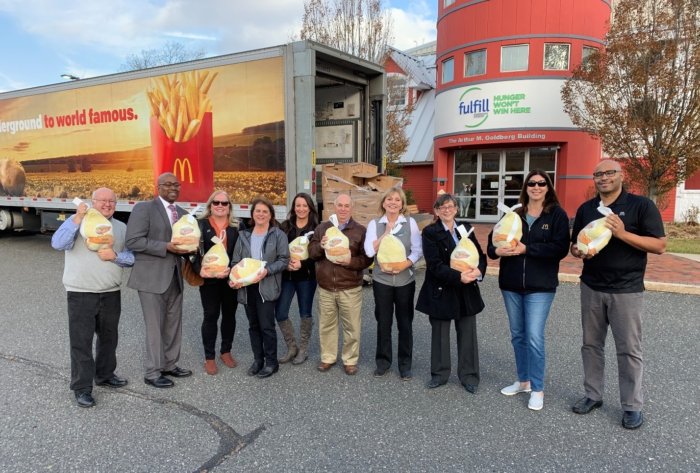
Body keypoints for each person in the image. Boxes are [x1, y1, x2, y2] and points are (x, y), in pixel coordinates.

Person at [570, 159, 665, 430]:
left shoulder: (641, 205)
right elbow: (575, 245)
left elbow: (659, 245)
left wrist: (622, 233)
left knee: (629, 350)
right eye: (598, 174)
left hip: (626, 289)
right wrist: (579, 251)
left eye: (609, 172)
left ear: (621, 175)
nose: (603, 178)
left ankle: (632, 406)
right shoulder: (587, 208)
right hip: (591, 286)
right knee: (591, 345)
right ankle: (592, 395)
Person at [487, 170, 570, 411]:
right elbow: (493, 245)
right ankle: (522, 381)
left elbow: (560, 249)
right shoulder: (515, 213)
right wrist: (496, 252)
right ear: (526, 188)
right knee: (518, 335)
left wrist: (527, 249)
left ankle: (537, 388)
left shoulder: (556, 215)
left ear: (548, 187)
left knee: (534, 337)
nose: (536, 187)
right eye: (531, 183)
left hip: (540, 287)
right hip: (511, 284)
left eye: (541, 183)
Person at [51, 187, 134, 408]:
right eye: (102, 201)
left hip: (110, 292)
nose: (107, 205)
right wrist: (77, 218)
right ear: (93, 202)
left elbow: (133, 257)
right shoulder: (79, 222)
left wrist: (116, 256)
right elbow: (58, 244)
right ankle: (82, 388)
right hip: (80, 292)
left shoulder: (121, 228)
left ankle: (105, 375)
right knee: (81, 342)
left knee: (109, 339)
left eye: (112, 201)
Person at [126, 172, 193, 389]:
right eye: (169, 184)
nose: (174, 187)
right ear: (159, 187)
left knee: (173, 323)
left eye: (177, 184)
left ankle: (169, 364)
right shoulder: (144, 209)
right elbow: (133, 241)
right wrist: (165, 246)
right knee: (155, 326)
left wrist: (193, 250)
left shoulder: (183, 214)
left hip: (175, 276)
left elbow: (186, 242)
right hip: (150, 278)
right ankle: (153, 372)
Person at [416, 193, 486, 393]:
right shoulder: (430, 232)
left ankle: (469, 376)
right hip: (442, 289)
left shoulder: (464, 228)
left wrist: (479, 270)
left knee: (467, 334)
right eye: (441, 207)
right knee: (440, 334)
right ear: (437, 211)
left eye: (450, 206)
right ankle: (439, 374)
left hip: (467, 290)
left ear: (456, 209)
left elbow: (479, 255)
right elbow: (434, 264)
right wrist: (458, 277)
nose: (447, 210)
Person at [308, 193, 373, 375]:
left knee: (352, 326)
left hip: (350, 287)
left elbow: (367, 259)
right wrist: (320, 246)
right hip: (326, 287)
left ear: (351, 208)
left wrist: (350, 263)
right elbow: (311, 253)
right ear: (334, 207)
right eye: (340, 205)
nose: (343, 209)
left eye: (346, 206)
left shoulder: (360, 230)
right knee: (326, 325)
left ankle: (350, 360)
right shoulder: (322, 229)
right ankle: (328, 357)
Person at [364, 186, 423, 380]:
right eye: (389, 199)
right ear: (383, 203)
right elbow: (369, 252)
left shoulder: (410, 223)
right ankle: (383, 362)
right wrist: (386, 232)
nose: (393, 203)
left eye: (397, 200)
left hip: (405, 280)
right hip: (382, 282)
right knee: (384, 322)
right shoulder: (375, 224)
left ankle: (405, 365)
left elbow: (417, 250)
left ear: (402, 204)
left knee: (405, 323)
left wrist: (404, 265)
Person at [229, 196, 289, 378]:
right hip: (248, 288)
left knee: (266, 326)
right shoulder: (244, 235)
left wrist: (267, 271)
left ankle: (272, 362)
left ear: (270, 215)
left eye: (265, 211)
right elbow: (235, 261)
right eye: (258, 211)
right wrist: (234, 277)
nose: (261, 214)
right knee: (253, 325)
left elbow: (284, 260)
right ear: (252, 214)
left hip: (267, 286)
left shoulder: (278, 235)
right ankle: (258, 360)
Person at [193, 190, 239, 375]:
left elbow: (240, 253)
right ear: (210, 205)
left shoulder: (236, 227)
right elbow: (192, 251)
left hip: (230, 281)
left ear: (229, 208)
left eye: (224, 203)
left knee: (229, 315)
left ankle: (226, 351)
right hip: (209, 280)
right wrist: (199, 269)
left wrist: (235, 272)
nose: (220, 206)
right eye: (216, 202)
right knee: (211, 315)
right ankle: (209, 357)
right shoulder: (200, 225)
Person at [275, 192, 319, 365]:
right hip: (287, 276)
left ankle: (303, 349)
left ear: (310, 208)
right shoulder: (285, 227)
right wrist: (284, 264)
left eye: (304, 205)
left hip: (306, 278)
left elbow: (319, 255)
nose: (301, 209)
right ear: (294, 207)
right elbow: (277, 250)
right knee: (280, 312)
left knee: (305, 313)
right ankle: (291, 346)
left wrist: (304, 264)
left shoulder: (317, 228)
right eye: (298, 205)